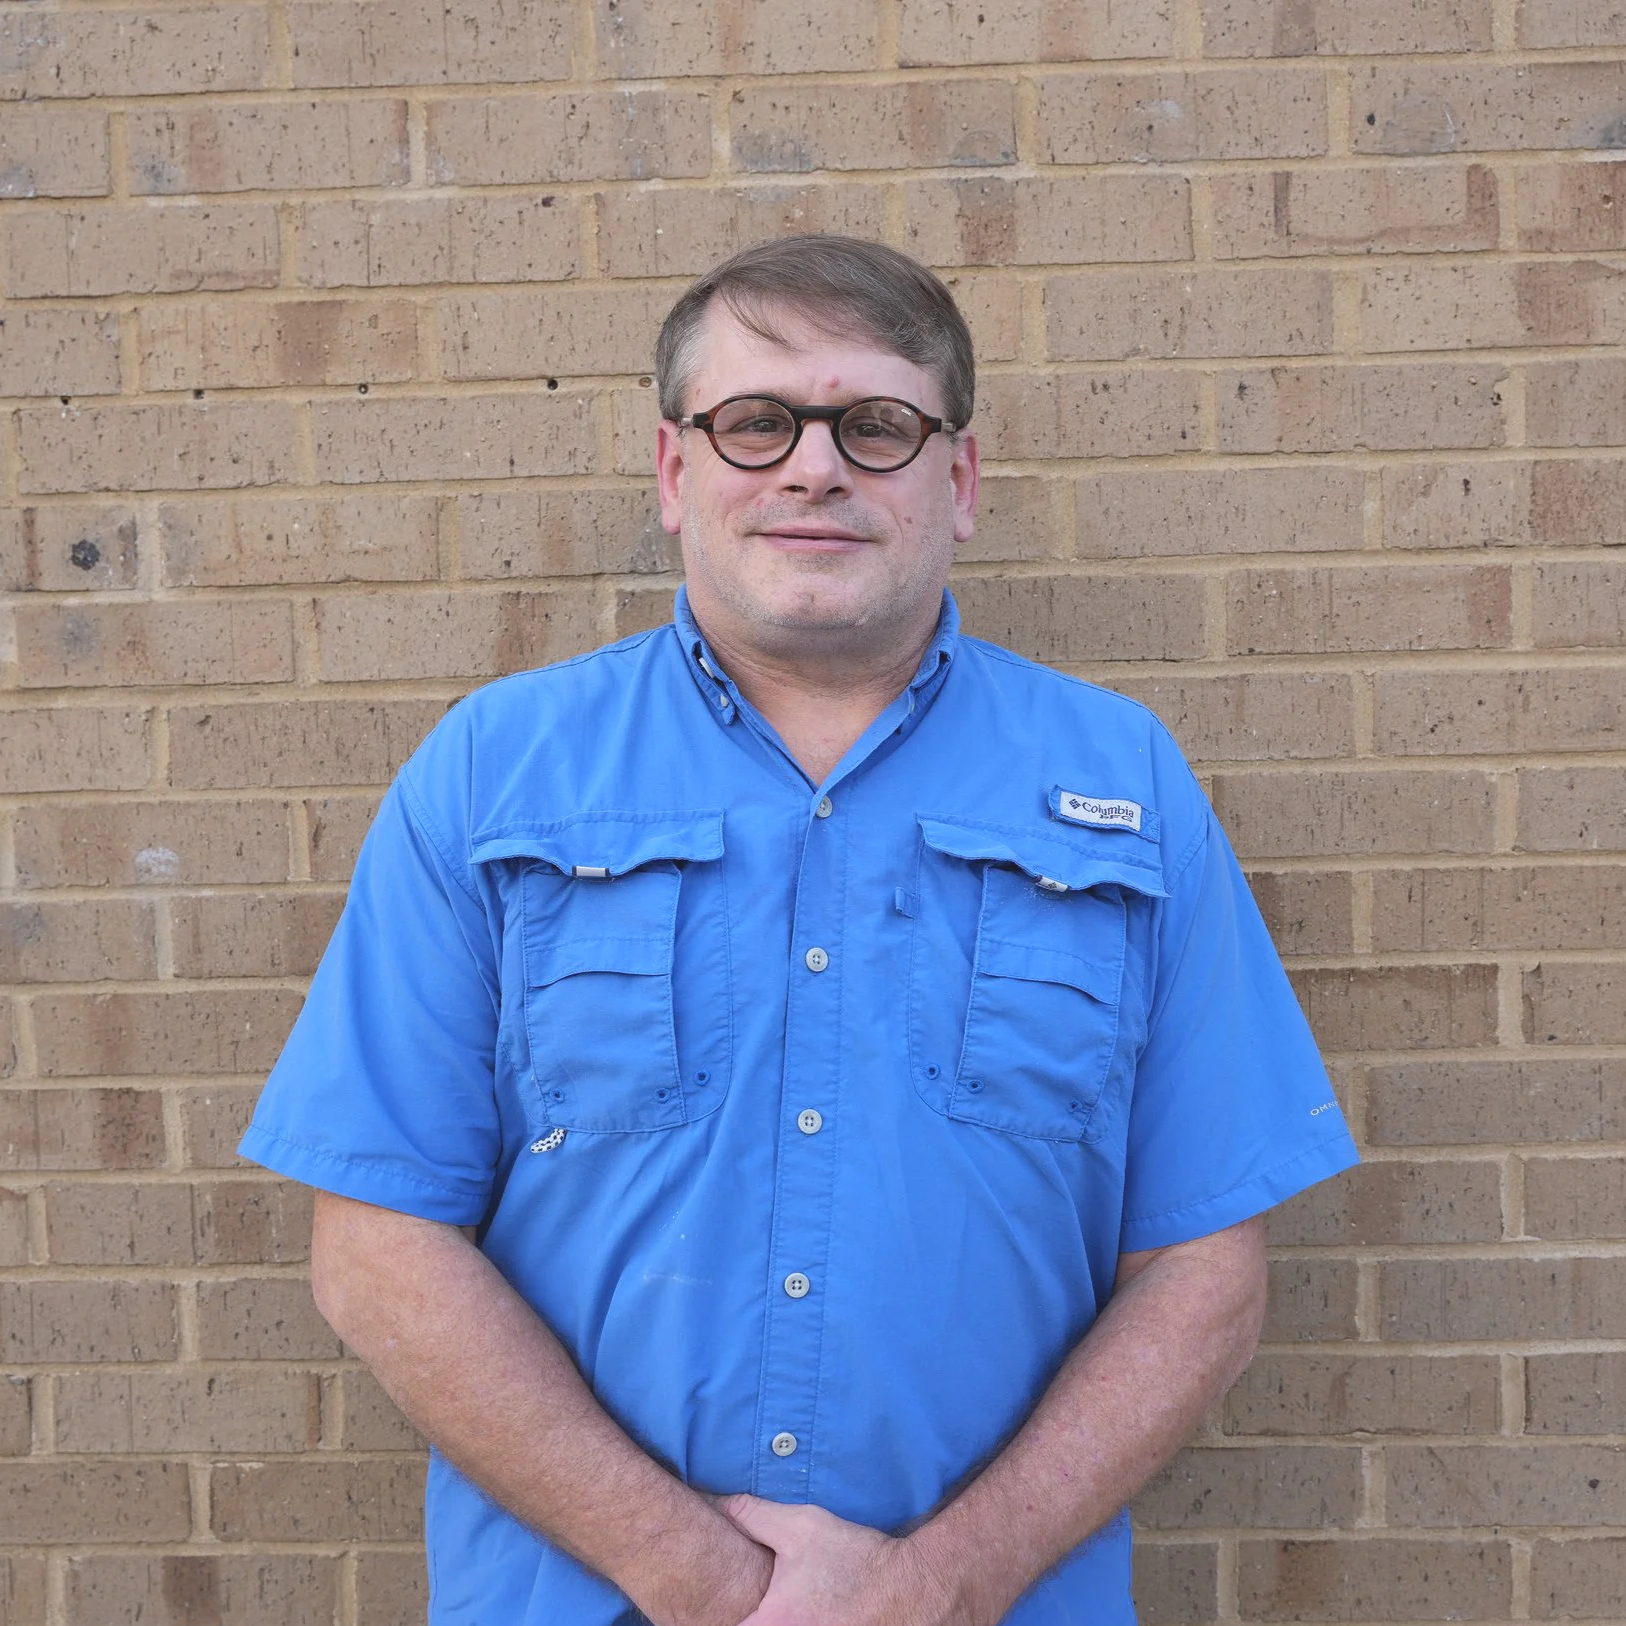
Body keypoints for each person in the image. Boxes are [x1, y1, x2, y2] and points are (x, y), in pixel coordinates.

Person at [241, 235, 1359, 1626]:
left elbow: (1203, 1273)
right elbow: (375, 1244)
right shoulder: (496, 775)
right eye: (756, 421)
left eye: (876, 425)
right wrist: (695, 1574)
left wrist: (940, 1585)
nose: (813, 467)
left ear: (957, 482)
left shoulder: (1121, 785)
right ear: (674, 473)